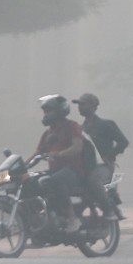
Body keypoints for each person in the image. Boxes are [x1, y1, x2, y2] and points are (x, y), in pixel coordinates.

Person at [29, 94, 84, 233]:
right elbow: (37, 153)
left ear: (60, 111)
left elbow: (77, 147)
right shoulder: (47, 133)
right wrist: (19, 168)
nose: (46, 114)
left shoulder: (72, 126)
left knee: (56, 180)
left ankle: (72, 218)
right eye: (45, 111)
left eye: (49, 111)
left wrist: (58, 154)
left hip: (73, 170)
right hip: (55, 170)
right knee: (32, 182)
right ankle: (41, 221)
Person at [73, 93, 128, 220]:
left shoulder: (106, 124)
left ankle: (108, 210)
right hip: (86, 166)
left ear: (93, 106)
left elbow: (123, 142)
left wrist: (110, 156)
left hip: (103, 166)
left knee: (93, 181)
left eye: (83, 104)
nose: (80, 107)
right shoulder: (80, 128)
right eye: (79, 105)